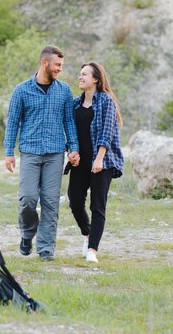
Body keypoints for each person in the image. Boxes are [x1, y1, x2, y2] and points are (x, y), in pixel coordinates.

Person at [4, 45, 80, 261]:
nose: (60, 69)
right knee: (28, 198)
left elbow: (69, 121)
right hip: (30, 152)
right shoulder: (21, 90)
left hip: (55, 154)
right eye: (57, 65)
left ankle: (46, 249)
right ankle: (27, 235)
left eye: (62, 66)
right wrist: (9, 152)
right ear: (44, 63)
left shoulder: (64, 91)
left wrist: (73, 147)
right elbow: (13, 123)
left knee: (50, 202)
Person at [65, 62, 123, 263]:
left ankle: (92, 250)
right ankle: (88, 233)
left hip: (102, 161)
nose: (80, 77)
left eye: (84, 74)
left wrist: (99, 159)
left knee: (97, 206)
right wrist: (71, 152)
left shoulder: (106, 101)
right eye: (79, 74)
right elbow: (71, 133)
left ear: (95, 79)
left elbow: (106, 132)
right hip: (80, 162)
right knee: (74, 201)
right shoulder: (74, 104)